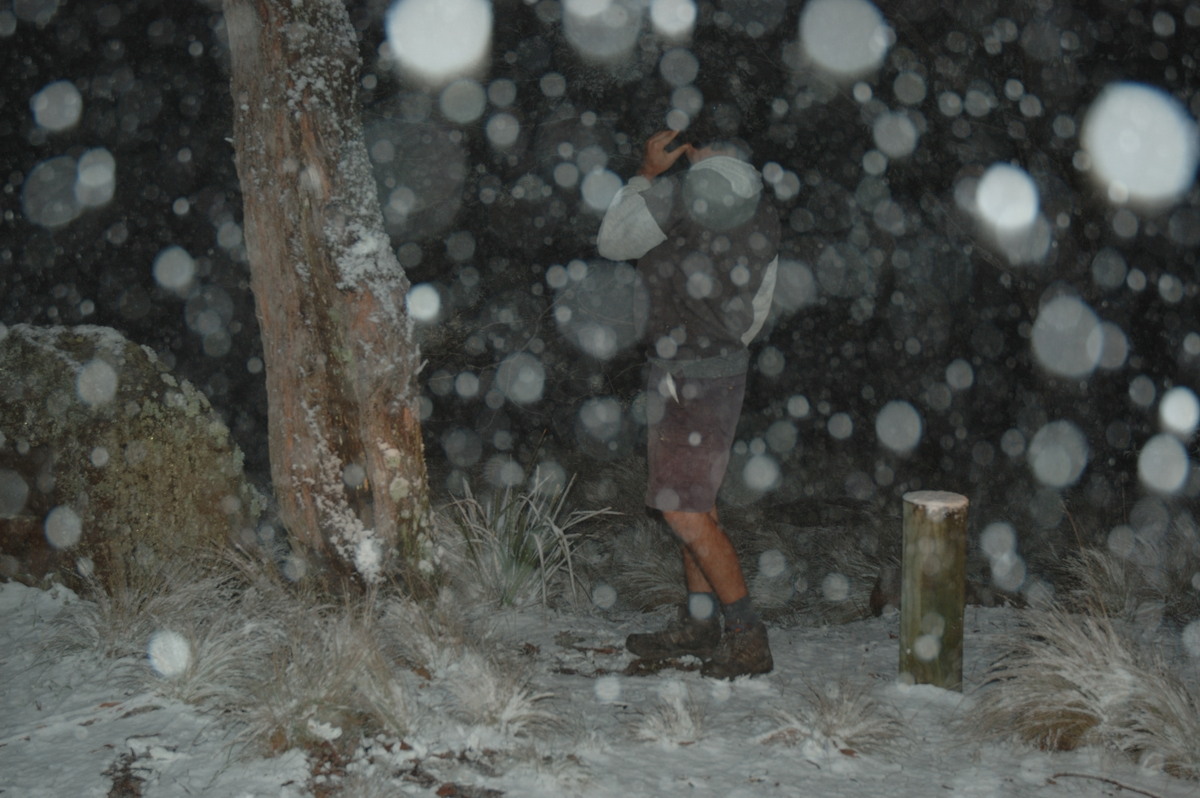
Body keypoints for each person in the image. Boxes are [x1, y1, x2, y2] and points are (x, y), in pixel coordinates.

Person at [597, 124, 781, 678]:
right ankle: (701, 624)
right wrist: (720, 348)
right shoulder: (764, 207)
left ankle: (748, 637)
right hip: (718, 371)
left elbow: (613, 241)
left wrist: (645, 175)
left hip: (682, 374)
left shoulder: (678, 191)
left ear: (693, 146)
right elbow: (760, 303)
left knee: (684, 509)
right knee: (694, 501)